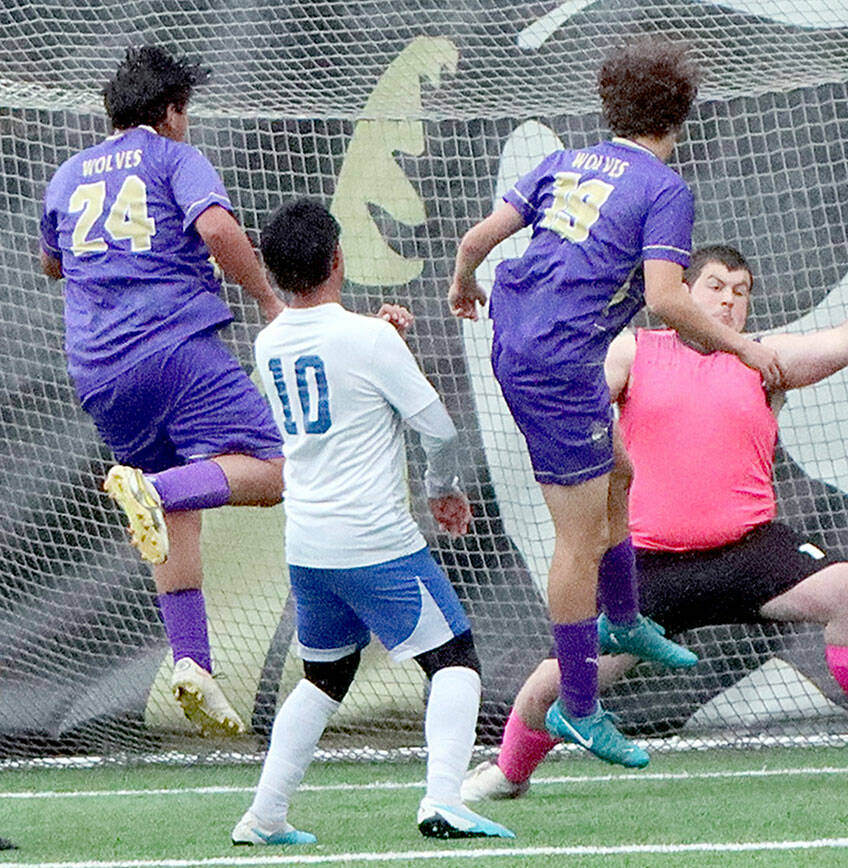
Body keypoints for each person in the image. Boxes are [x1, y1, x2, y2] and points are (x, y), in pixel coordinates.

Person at [461, 240, 848, 799]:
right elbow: (587, 389)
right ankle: (509, 773)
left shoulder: (762, 359)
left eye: (741, 292)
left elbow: (839, 344)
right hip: (645, 568)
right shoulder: (635, 351)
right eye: (715, 286)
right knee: (553, 687)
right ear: (683, 291)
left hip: (748, 551)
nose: (729, 300)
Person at [447, 39, 784, 769]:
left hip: (521, 335)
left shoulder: (566, 161)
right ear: (680, 118)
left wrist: (463, 283)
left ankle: (625, 618)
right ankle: (578, 704)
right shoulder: (664, 187)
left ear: (610, 106)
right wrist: (745, 348)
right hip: (558, 365)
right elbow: (665, 298)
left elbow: (477, 238)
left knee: (620, 476)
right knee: (576, 541)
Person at [232, 198, 513, 845]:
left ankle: (265, 815)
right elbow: (437, 428)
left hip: (308, 546)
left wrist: (384, 340)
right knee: (455, 661)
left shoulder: (270, 342)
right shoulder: (368, 338)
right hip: (374, 540)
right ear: (337, 259)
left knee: (325, 676)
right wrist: (443, 489)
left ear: (273, 273)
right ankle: (443, 799)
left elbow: (338, 381)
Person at [38, 45, 286, 737]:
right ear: (171, 112)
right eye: (187, 113)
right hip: (172, 348)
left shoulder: (66, 175)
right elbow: (213, 227)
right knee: (276, 470)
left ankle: (191, 662)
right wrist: (266, 298)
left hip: (97, 371)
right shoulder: (173, 157)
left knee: (176, 508)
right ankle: (155, 492)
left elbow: (52, 262)